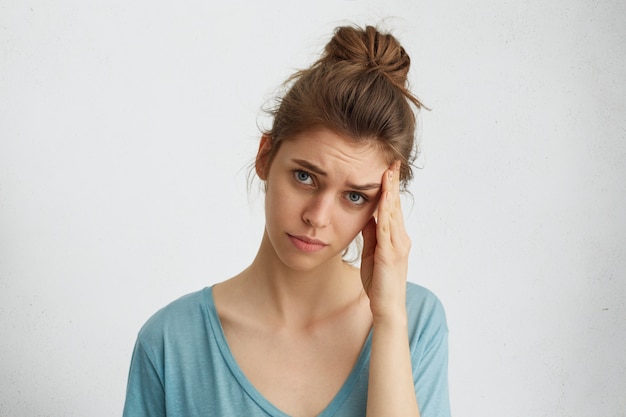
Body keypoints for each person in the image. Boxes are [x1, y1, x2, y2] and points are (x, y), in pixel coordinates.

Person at [122, 24, 450, 417]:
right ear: (265, 157)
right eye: (305, 176)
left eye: (354, 196)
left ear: (382, 206)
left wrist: (389, 318)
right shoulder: (171, 343)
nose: (317, 217)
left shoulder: (415, 323)